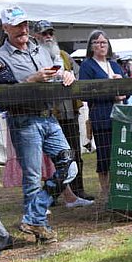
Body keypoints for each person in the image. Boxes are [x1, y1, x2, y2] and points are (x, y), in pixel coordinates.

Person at [0, 6, 77, 243]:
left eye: (25, 24)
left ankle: (33, 215)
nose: (23, 29)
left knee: (69, 166)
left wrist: (65, 76)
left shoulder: (40, 49)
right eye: (17, 25)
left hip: (48, 117)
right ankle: (39, 227)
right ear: (5, 28)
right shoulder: (0, 58)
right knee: (32, 177)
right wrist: (32, 79)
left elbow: (57, 70)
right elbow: (4, 93)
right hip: (23, 120)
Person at [32, 20, 94, 205]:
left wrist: (72, 76)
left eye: (50, 32)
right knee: (54, 159)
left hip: (70, 112)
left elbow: (78, 74)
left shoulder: (65, 55)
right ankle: (56, 195)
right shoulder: (35, 56)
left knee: (75, 153)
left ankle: (78, 190)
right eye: (44, 33)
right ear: (36, 36)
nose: (48, 36)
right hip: (50, 114)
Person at [79, 30, 126, 203]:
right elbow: (85, 93)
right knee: (104, 154)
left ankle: (118, 187)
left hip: (120, 116)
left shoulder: (114, 65)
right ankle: (105, 191)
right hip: (101, 115)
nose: (101, 45)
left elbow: (127, 86)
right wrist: (109, 92)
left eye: (104, 42)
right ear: (91, 46)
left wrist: (121, 90)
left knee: (119, 152)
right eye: (97, 43)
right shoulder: (87, 66)